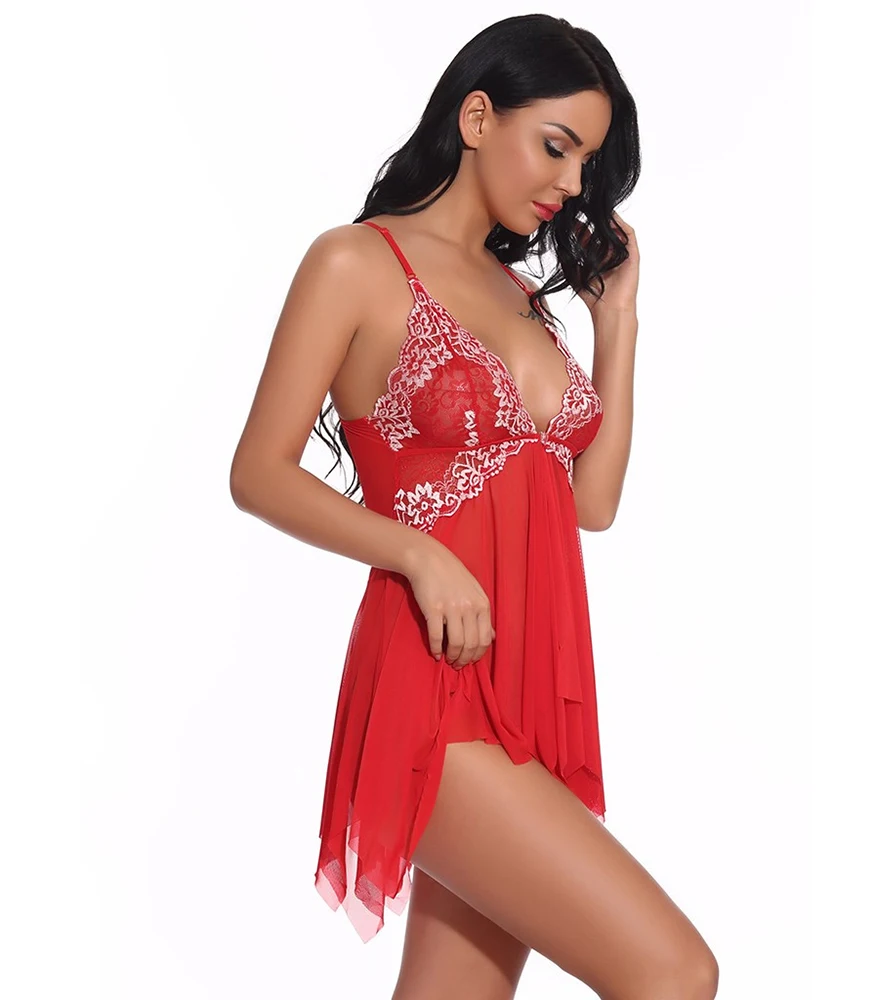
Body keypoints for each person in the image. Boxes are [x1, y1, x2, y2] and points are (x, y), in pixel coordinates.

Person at [230, 13, 718, 1000]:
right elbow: (259, 472)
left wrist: (617, 323)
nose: (572, 184)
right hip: (432, 688)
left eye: (587, 162)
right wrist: (417, 553)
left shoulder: (522, 299)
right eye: (557, 146)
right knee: (672, 972)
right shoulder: (355, 262)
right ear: (479, 116)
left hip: (528, 689)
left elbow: (592, 503)